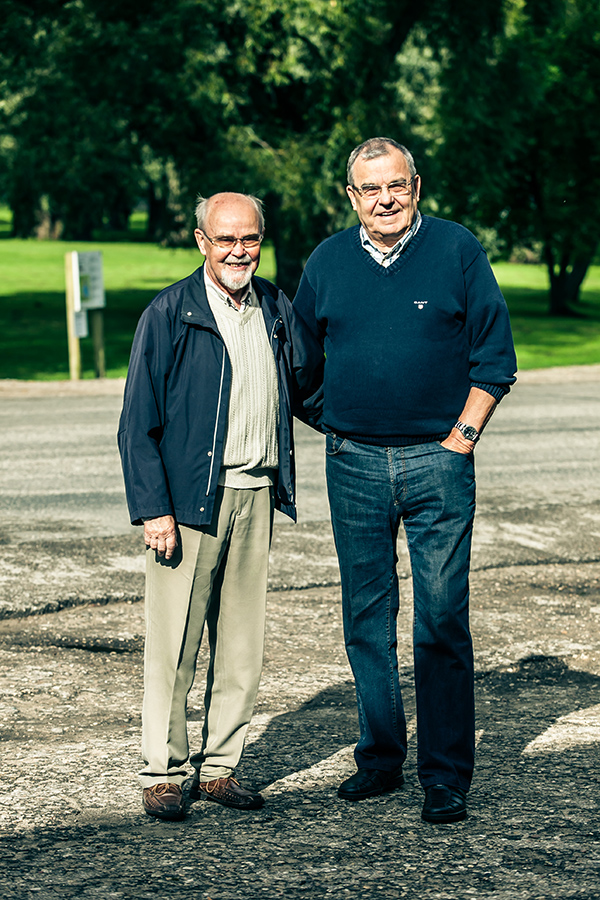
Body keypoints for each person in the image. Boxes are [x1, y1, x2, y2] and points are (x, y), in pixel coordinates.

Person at [293, 137, 517, 824]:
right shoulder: (328, 261)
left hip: (438, 462)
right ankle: (381, 759)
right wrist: (340, 425)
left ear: (416, 186)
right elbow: (300, 364)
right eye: (371, 189)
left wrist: (460, 441)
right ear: (351, 196)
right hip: (353, 463)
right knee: (366, 619)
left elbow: (495, 359)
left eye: (397, 185)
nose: (385, 199)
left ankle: (444, 775)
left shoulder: (456, 250)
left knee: (441, 620)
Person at [118, 191, 322, 821]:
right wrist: (155, 510)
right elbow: (137, 426)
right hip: (187, 508)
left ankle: (221, 769)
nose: (240, 251)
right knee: (173, 646)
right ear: (201, 242)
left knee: (241, 646)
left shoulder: (277, 308)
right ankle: (163, 771)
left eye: (250, 239)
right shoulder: (170, 314)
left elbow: (308, 389)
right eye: (226, 239)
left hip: (256, 495)